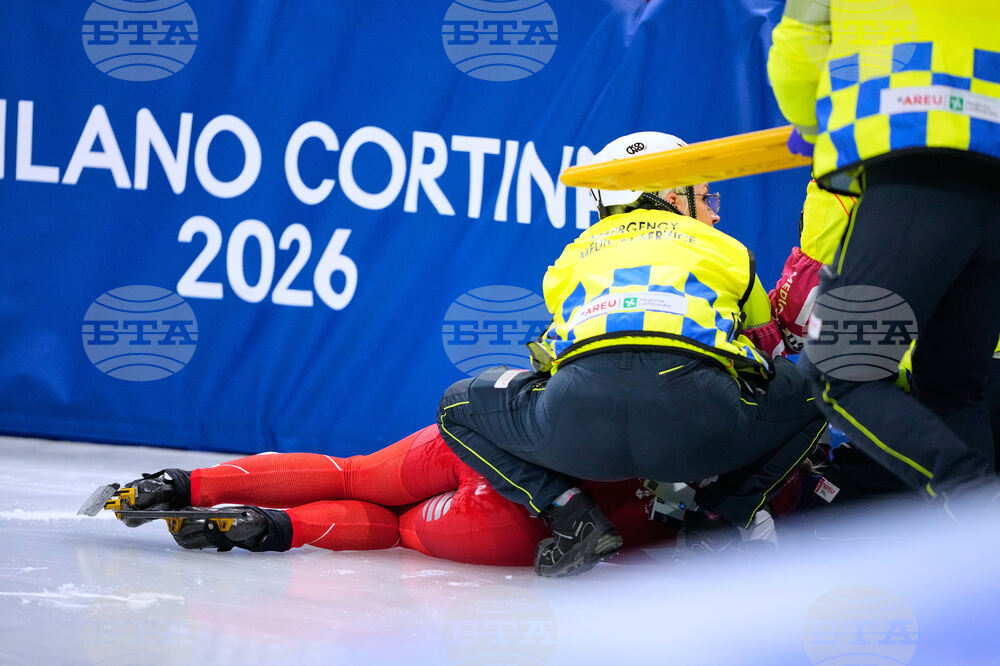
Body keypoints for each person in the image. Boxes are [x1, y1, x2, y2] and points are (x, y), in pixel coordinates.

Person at [436, 131, 828, 578]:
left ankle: (570, 514)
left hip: (579, 432)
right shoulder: (730, 252)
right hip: (700, 432)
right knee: (819, 387)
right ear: (671, 194)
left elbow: (546, 360)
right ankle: (719, 517)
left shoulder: (572, 256)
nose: (714, 215)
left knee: (457, 407)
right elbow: (771, 350)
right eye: (704, 197)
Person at [768, 2, 1000, 506]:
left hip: (917, 153)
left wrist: (810, 122)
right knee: (952, 392)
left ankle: (979, 507)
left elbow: (796, 47)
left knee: (840, 373)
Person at [111, 424, 673, 565]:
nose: (716, 208)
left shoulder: (591, 281)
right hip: (523, 514)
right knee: (400, 528)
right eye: (706, 195)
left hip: (489, 441)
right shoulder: (734, 309)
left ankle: (181, 485)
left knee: (356, 476)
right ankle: (268, 525)